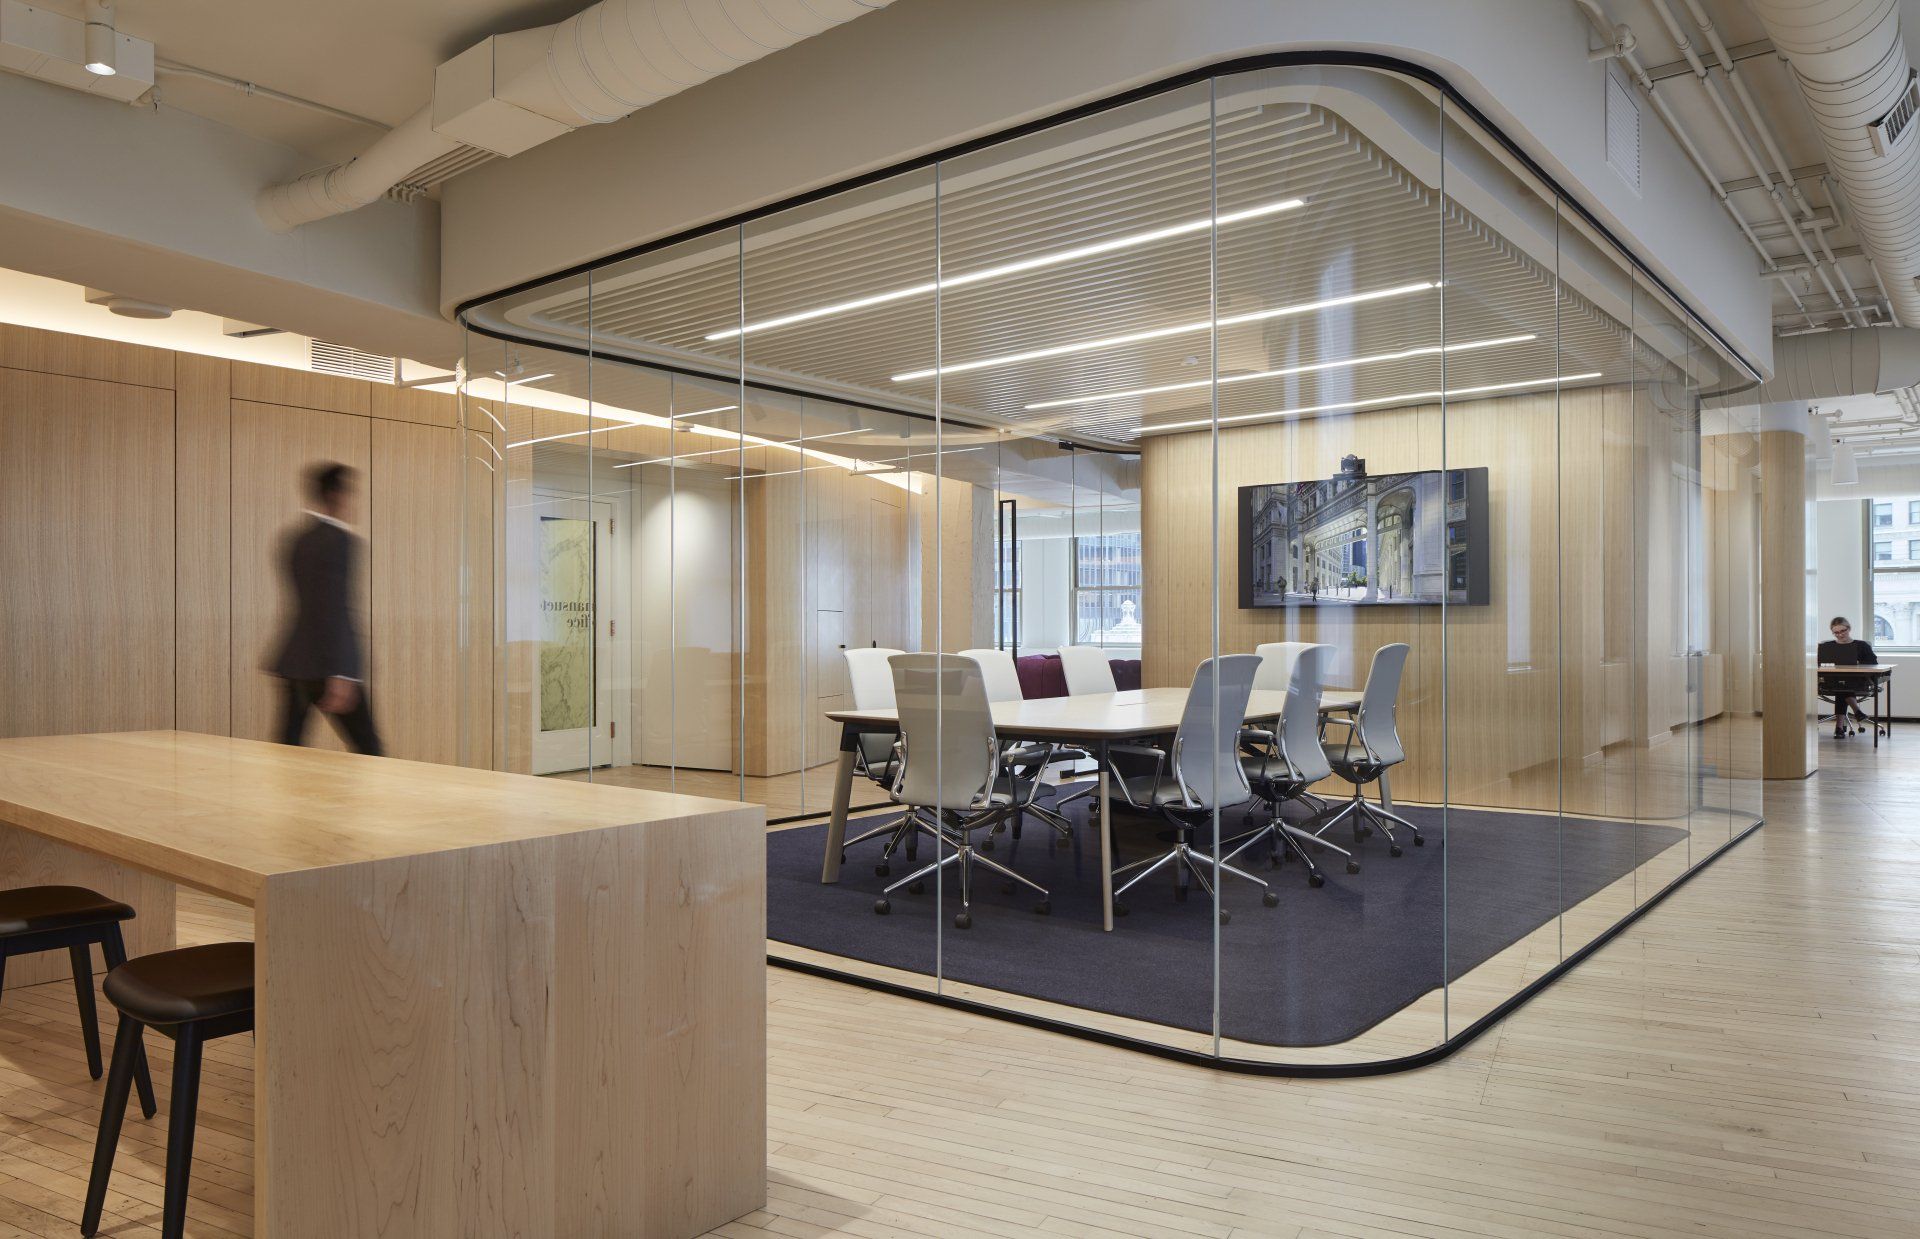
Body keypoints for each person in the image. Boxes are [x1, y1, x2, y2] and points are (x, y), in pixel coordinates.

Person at [267, 462, 384, 755]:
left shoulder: (297, 540)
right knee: (370, 750)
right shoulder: (339, 542)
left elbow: (312, 604)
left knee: (288, 751)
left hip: (296, 661)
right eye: (350, 493)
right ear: (336, 495)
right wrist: (342, 672)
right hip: (329, 665)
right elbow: (334, 607)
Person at [1816, 616, 1878, 740]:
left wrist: (1858, 664)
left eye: (1843, 631)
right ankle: (1857, 711)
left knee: (1842, 687)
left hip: (1858, 681)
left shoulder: (1861, 646)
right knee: (1841, 684)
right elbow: (1819, 663)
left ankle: (1839, 727)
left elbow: (1873, 664)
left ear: (1849, 629)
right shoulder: (1827, 647)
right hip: (1832, 681)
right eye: (1836, 632)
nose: (1840, 635)